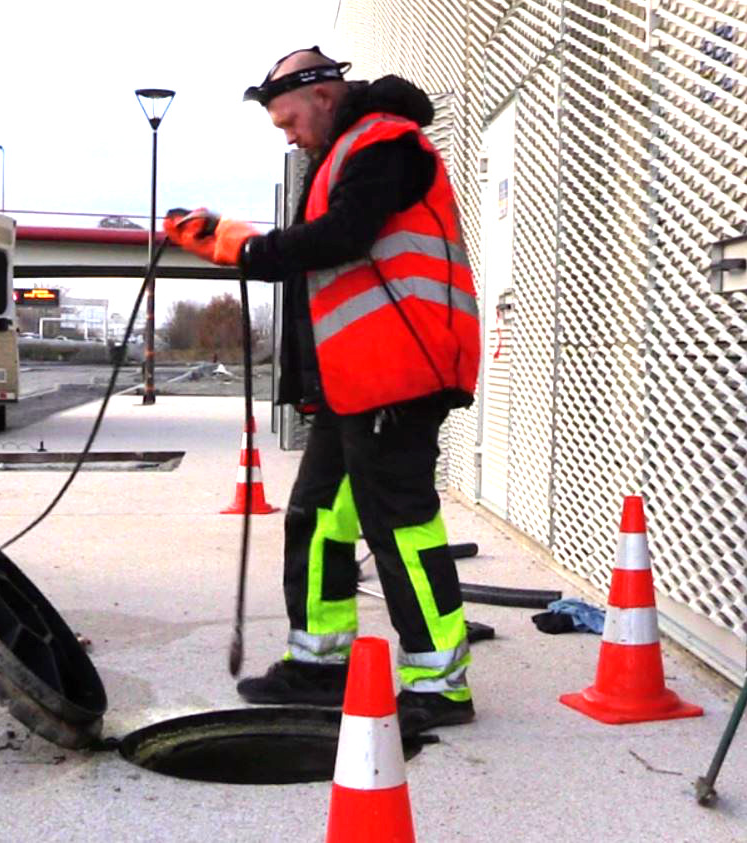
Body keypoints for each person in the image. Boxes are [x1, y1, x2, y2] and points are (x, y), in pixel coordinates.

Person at [164, 47, 481, 735]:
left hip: (399, 372)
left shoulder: (386, 141)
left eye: (288, 120)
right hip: (355, 382)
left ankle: (440, 683)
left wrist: (245, 249)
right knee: (315, 515)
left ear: (325, 94)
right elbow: (326, 265)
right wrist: (236, 239)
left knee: (399, 525)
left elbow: (343, 237)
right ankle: (318, 663)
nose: (287, 135)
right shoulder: (341, 155)